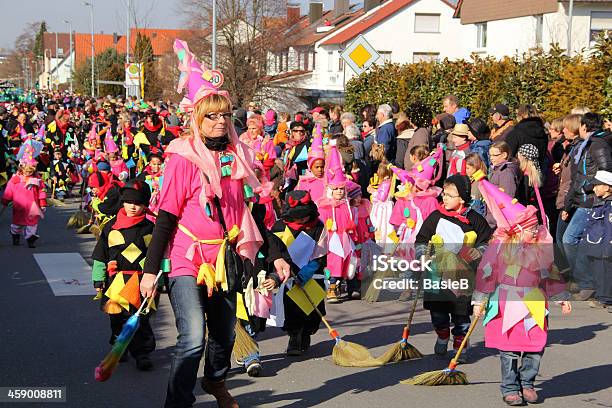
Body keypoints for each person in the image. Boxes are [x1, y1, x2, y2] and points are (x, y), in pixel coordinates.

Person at [141, 40, 290, 408]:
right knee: (192, 337)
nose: (220, 121)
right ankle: (178, 402)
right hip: (185, 258)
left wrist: (276, 254)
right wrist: (148, 271)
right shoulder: (182, 158)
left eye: (225, 114)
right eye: (212, 116)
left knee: (223, 336)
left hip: (224, 260)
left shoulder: (237, 157)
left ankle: (215, 381)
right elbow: (166, 217)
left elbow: (248, 215)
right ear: (196, 117)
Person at [473, 174, 571, 406]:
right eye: (531, 228)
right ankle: (509, 387)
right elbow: (486, 275)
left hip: (534, 303)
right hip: (506, 303)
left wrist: (561, 296)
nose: (536, 231)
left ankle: (527, 382)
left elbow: (551, 274)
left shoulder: (540, 249)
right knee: (508, 350)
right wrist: (479, 300)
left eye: (536, 227)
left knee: (535, 347)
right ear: (516, 230)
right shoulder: (498, 250)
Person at [416, 174, 492, 363]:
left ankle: (460, 346)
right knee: (438, 312)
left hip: (463, 274)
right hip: (437, 272)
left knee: (461, 314)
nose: (445, 198)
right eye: (444, 194)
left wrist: (479, 251)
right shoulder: (436, 217)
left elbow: (486, 242)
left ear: (463, 198)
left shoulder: (475, 220)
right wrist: (423, 254)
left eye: (450, 195)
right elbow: (421, 239)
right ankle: (442, 334)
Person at [91, 180, 157, 371]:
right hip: (116, 282)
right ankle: (119, 347)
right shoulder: (110, 228)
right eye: (128, 202)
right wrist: (98, 278)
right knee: (117, 318)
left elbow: (157, 255)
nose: (133, 206)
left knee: (140, 318)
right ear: (122, 202)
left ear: (145, 204)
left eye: (138, 203)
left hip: (141, 282)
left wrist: (159, 281)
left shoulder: (149, 228)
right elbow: (100, 255)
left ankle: (142, 353)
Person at [267, 190, 328, 355]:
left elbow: (320, 256)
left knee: (312, 313)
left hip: (311, 276)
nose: (302, 220)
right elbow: (274, 252)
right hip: (289, 278)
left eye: (304, 216)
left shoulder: (318, 227)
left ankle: (306, 334)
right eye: (297, 217)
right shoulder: (279, 227)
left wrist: (306, 273)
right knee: (291, 312)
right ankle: (294, 338)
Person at [563, 112, 612, 301]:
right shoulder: (588, 144)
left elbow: (606, 170)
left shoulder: (597, 144)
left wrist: (589, 186)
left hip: (593, 199)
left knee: (571, 239)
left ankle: (586, 282)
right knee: (577, 240)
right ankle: (587, 281)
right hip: (584, 198)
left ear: (584, 127)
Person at [2, 139, 47, 248]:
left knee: (32, 223)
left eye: (31, 171)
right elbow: (9, 190)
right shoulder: (16, 179)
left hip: (32, 205)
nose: (29, 173)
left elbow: (41, 191)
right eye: (27, 171)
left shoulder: (37, 179)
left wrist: (42, 202)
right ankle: (15, 235)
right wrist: (5, 200)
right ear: (21, 168)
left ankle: (30, 238)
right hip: (19, 205)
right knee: (17, 223)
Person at [581, 170, 612, 310]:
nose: (594, 188)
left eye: (597, 185)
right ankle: (602, 296)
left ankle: (605, 298)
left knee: (605, 271)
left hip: (604, 246)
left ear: (607, 187)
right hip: (596, 245)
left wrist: (608, 247)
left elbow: (609, 228)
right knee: (599, 271)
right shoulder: (600, 204)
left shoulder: (609, 207)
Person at [504, 104, 548, 170]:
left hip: (521, 172)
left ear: (520, 115)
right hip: (540, 172)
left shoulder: (515, 133)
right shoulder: (543, 133)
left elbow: (508, 157)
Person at [296, 129, 326, 202]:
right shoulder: (304, 181)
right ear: (310, 167)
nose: (320, 170)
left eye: (322, 167)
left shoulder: (329, 179)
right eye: (317, 167)